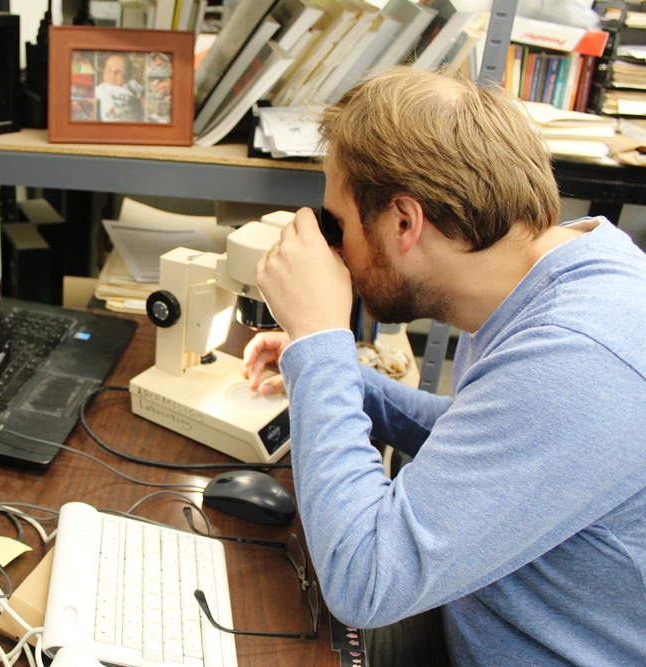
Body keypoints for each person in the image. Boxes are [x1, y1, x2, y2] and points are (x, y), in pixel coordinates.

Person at [243, 66, 646, 666]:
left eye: (339, 225)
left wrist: (322, 344)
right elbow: (482, 439)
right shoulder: (552, 269)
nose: (333, 249)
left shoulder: (578, 359)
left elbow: (364, 581)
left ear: (405, 222)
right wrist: (343, 379)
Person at [95, 52, 144, 122]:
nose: (113, 74)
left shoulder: (132, 85)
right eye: (109, 69)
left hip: (133, 124)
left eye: (120, 71)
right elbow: (91, 101)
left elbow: (143, 101)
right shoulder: (101, 88)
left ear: (129, 74)